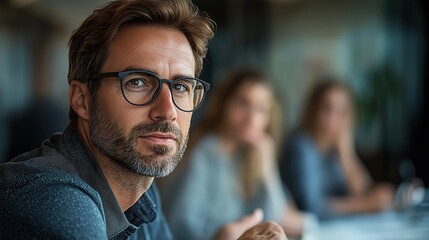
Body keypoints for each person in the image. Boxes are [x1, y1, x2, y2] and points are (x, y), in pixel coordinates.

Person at [0, 1, 287, 239]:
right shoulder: (53, 201)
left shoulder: (141, 191)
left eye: (181, 87)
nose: (167, 110)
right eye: (137, 83)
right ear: (81, 99)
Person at [160, 69, 305, 240]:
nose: (251, 116)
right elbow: (179, 227)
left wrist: (267, 167)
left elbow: (275, 217)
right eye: (243, 103)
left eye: (261, 109)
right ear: (224, 104)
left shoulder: (249, 156)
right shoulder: (204, 154)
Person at [279, 77, 394, 219]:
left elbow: (362, 191)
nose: (333, 119)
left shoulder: (334, 148)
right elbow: (310, 207)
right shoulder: (300, 147)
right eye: (327, 109)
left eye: (342, 111)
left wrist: (347, 155)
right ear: (312, 110)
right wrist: (365, 205)